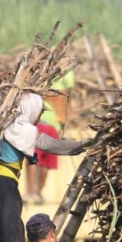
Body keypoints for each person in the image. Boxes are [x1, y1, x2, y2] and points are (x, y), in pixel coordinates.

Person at [0, 93, 91, 242]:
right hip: (2, 183)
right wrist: (86, 145)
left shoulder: (2, 126)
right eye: (39, 113)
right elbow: (53, 145)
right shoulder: (23, 129)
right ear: (31, 111)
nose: (39, 118)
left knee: (16, 233)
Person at [26, 71, 76, 204]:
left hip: (40, 122)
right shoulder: (68, 74)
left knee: (34, 158)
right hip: (52, 124)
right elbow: (66, 98)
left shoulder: (41, 73)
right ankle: (36, 193)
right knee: (45, 162)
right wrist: (65, 119)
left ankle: (32, 192)